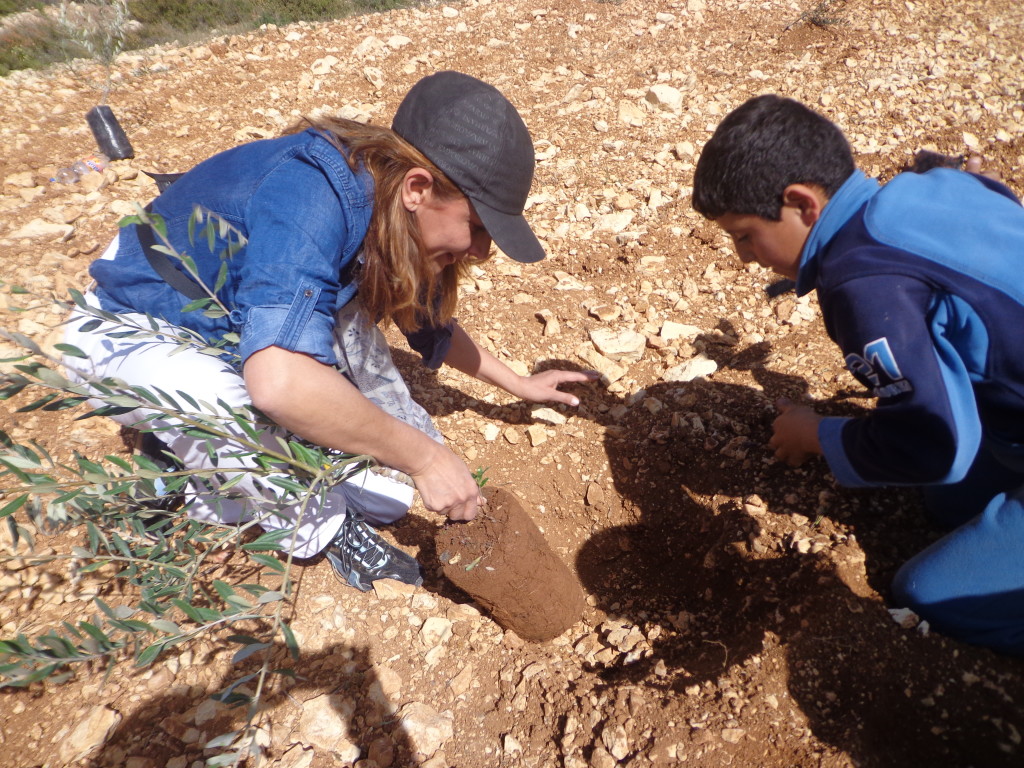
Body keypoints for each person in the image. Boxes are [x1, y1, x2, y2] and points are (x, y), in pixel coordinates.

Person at [64, 71, 596, 592]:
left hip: (231, 330)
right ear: (417, 187)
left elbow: (428, 322)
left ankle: (196, 460)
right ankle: (322, 529)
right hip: (130, 330)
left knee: (384, 491)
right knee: (238, 407)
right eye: (477, 226)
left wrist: (518, 385)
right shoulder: (311, 193)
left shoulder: (392, 209)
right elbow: (279, 383)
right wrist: (425, 457)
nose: (482, 250)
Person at [691, 94, 1024, 656]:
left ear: (801, 204)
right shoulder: (932, 186)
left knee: (925, 593)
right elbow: (997, 196)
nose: (744, 257)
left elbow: (937, 445)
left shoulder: (862, 284)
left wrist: (817, 435)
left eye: (745, 234)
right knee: (942, 504)